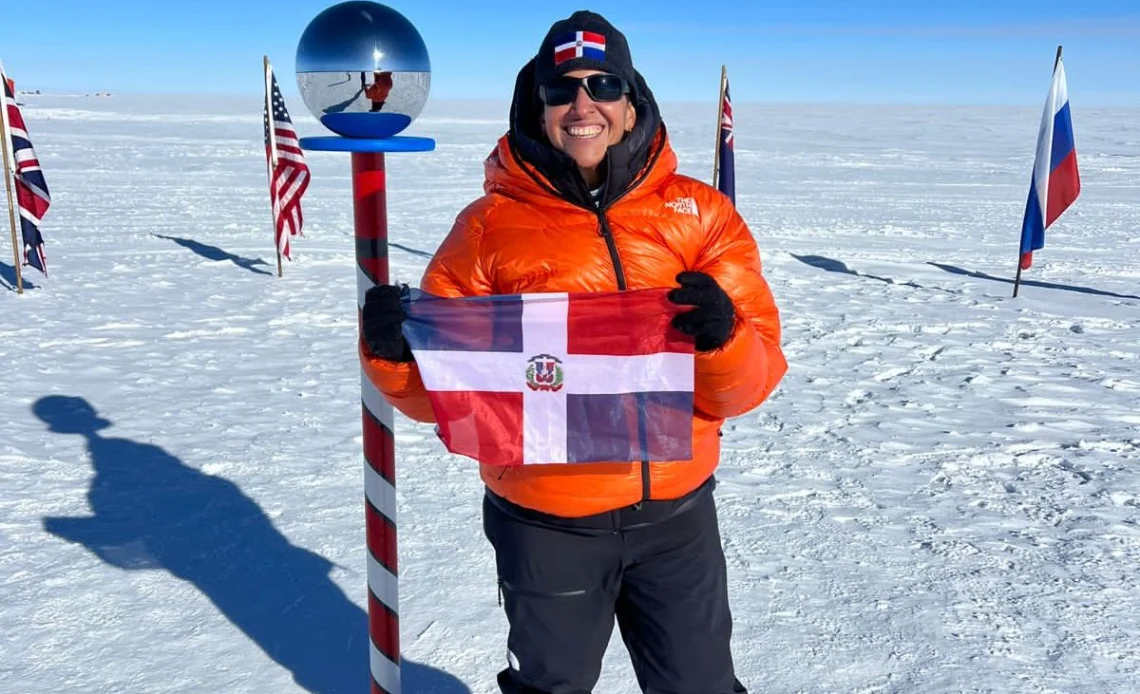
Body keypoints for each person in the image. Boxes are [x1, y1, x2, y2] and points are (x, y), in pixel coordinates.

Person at [360, 10, 787, 694]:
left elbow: (746, 388)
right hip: (545, 525)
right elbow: (444, 395)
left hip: (676, 518)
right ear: (538, 105)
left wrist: (721, 341)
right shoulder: (486, 229)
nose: (582, 104)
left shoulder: (702, 217)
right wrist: (395, 356)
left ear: (631, 101)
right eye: (561, 90)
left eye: (603, 84)